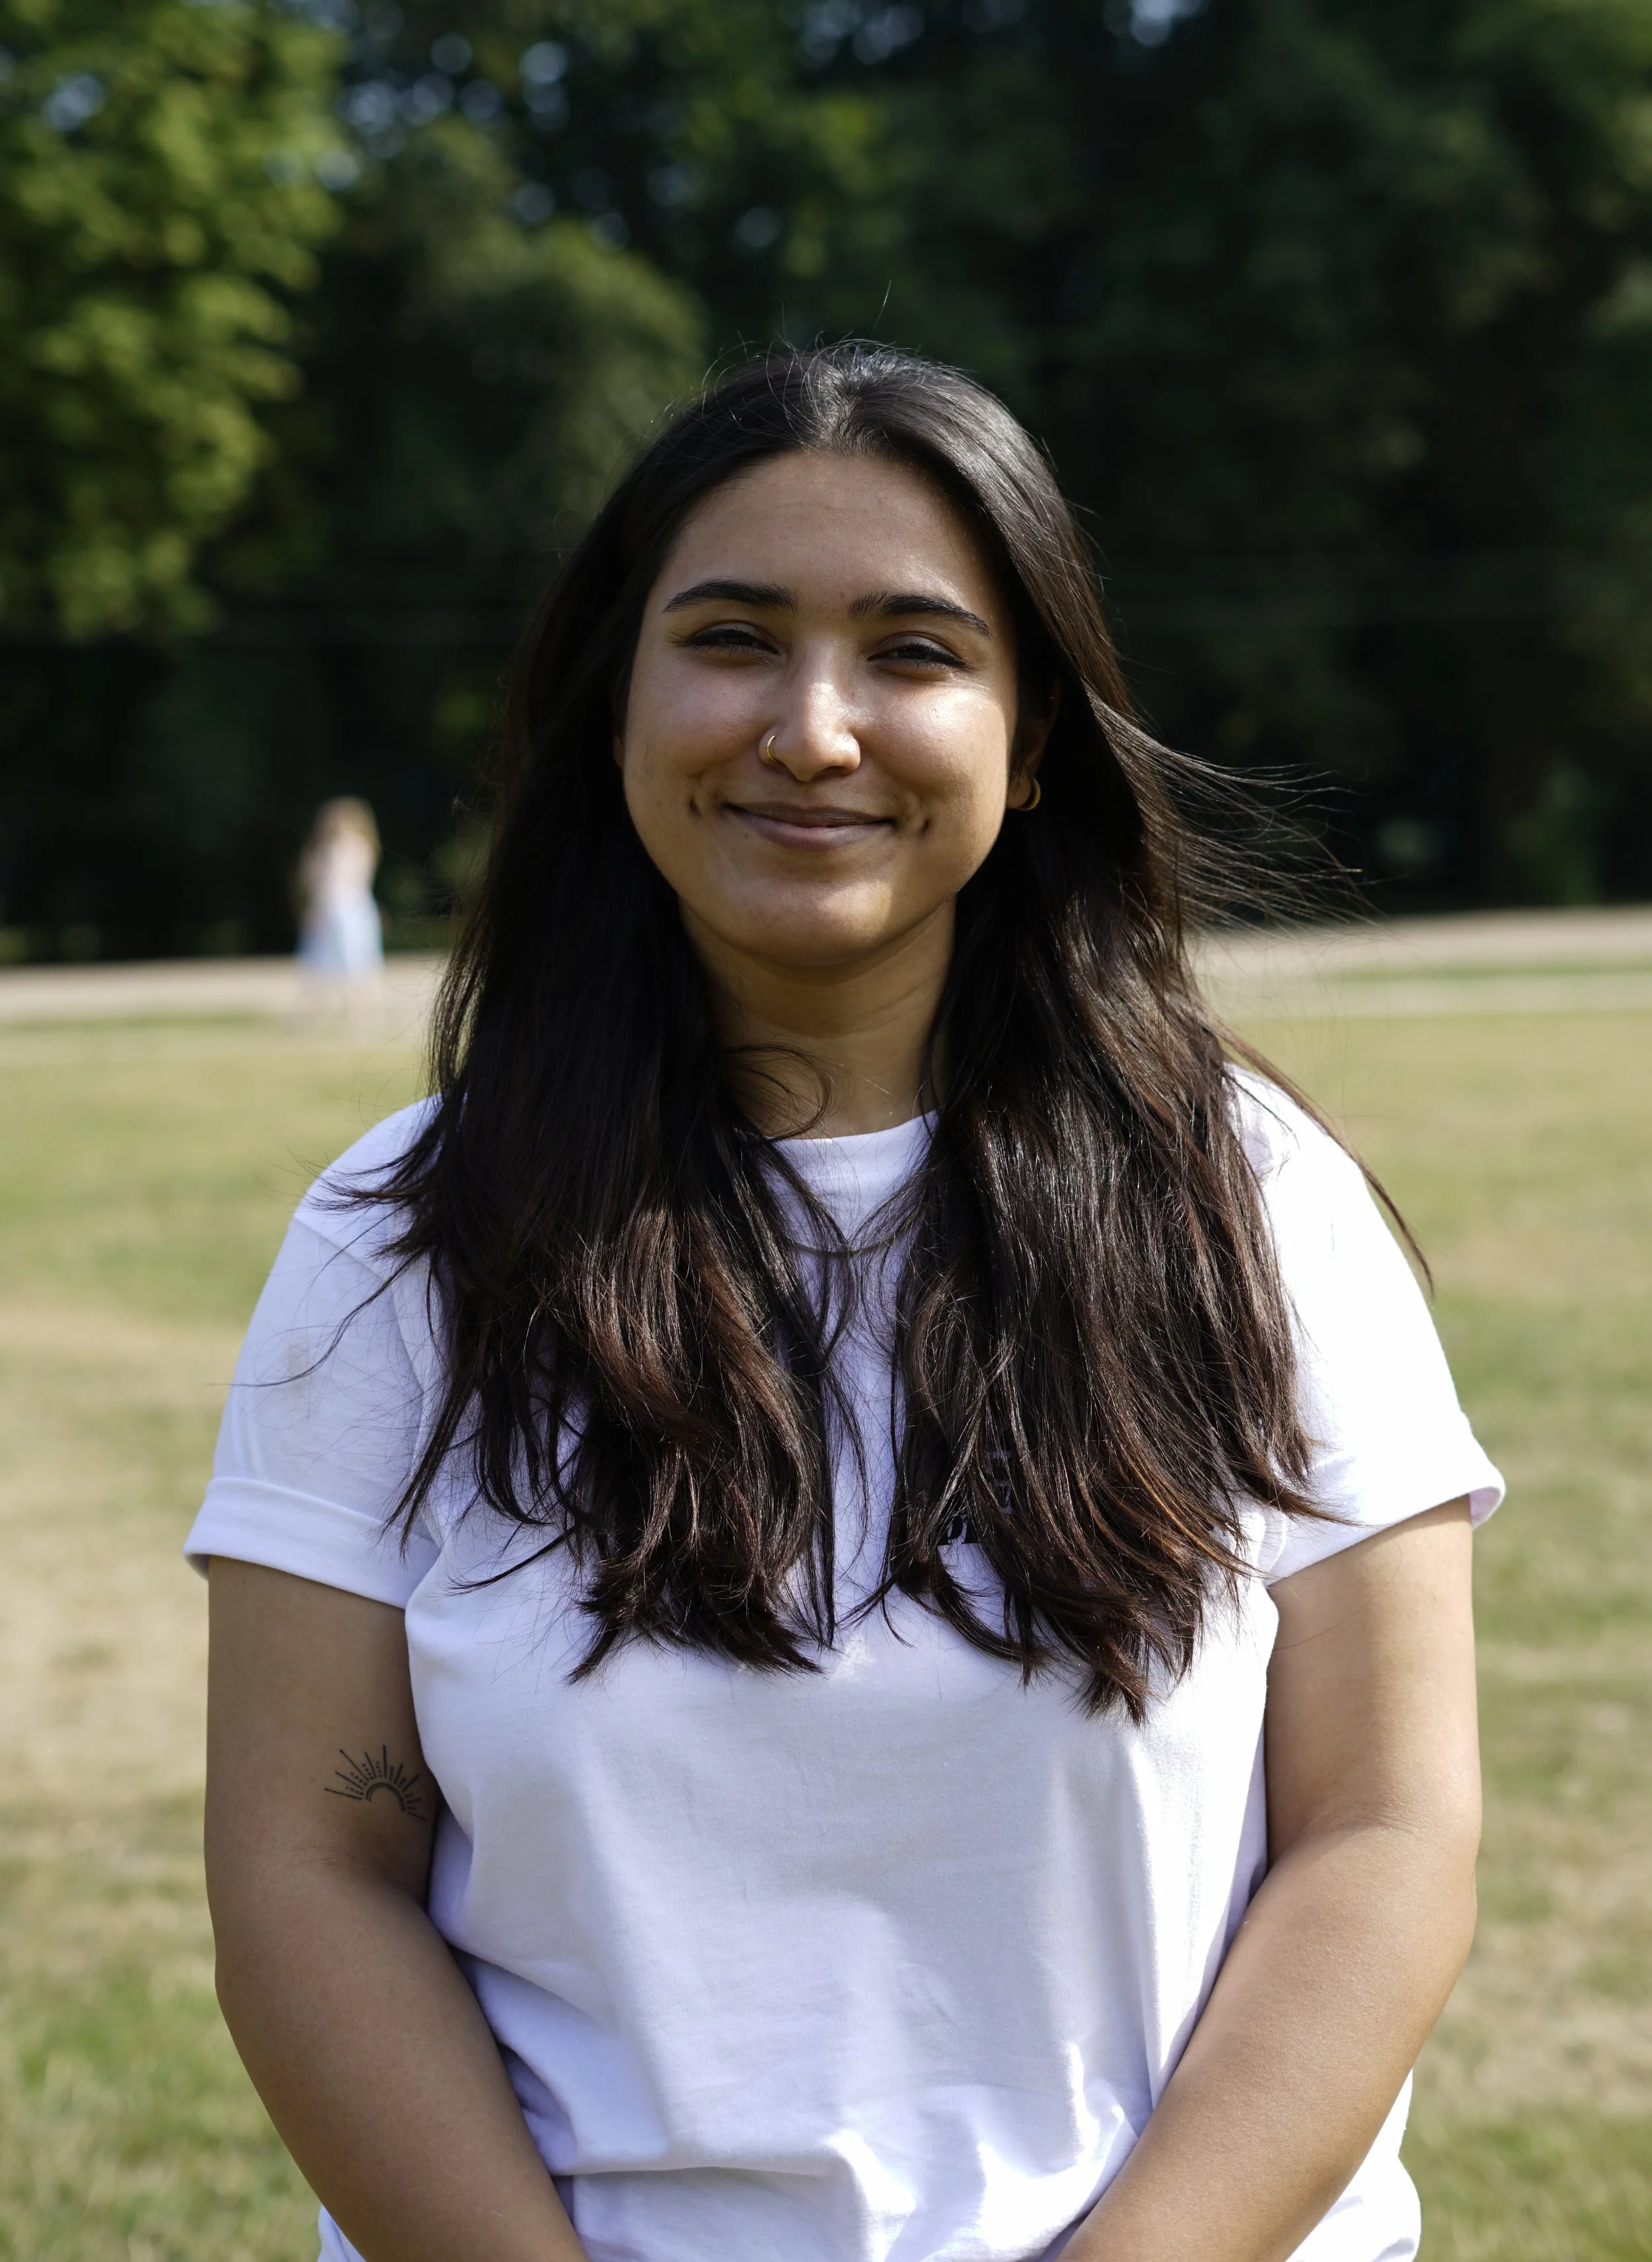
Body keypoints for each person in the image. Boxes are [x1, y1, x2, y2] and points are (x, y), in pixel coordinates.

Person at [190, 346, 1502, 2262]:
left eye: (912, 651)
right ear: (613, 703)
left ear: (1032, 731)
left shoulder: (1254, 1204)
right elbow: (315, 1868)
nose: (812, 726)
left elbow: (1383, 1829)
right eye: (731, 637)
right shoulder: (401, 1240)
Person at [295, 798, 385, 986]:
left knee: (353, 962)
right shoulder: (327, 849)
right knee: (328, 964)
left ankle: (358, 1007)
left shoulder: (349, 847)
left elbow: (336, 881)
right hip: (335, 907)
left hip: (344, 907)